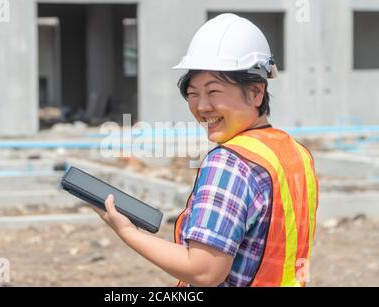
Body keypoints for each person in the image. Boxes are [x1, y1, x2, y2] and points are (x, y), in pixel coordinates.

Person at [90, 13, 318, 287]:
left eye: (214, 92)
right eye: (194, 93)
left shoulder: (230, 163)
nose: (201, 107)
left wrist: (127, 231)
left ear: (257, 92)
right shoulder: (296, 154)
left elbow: (204, 271)